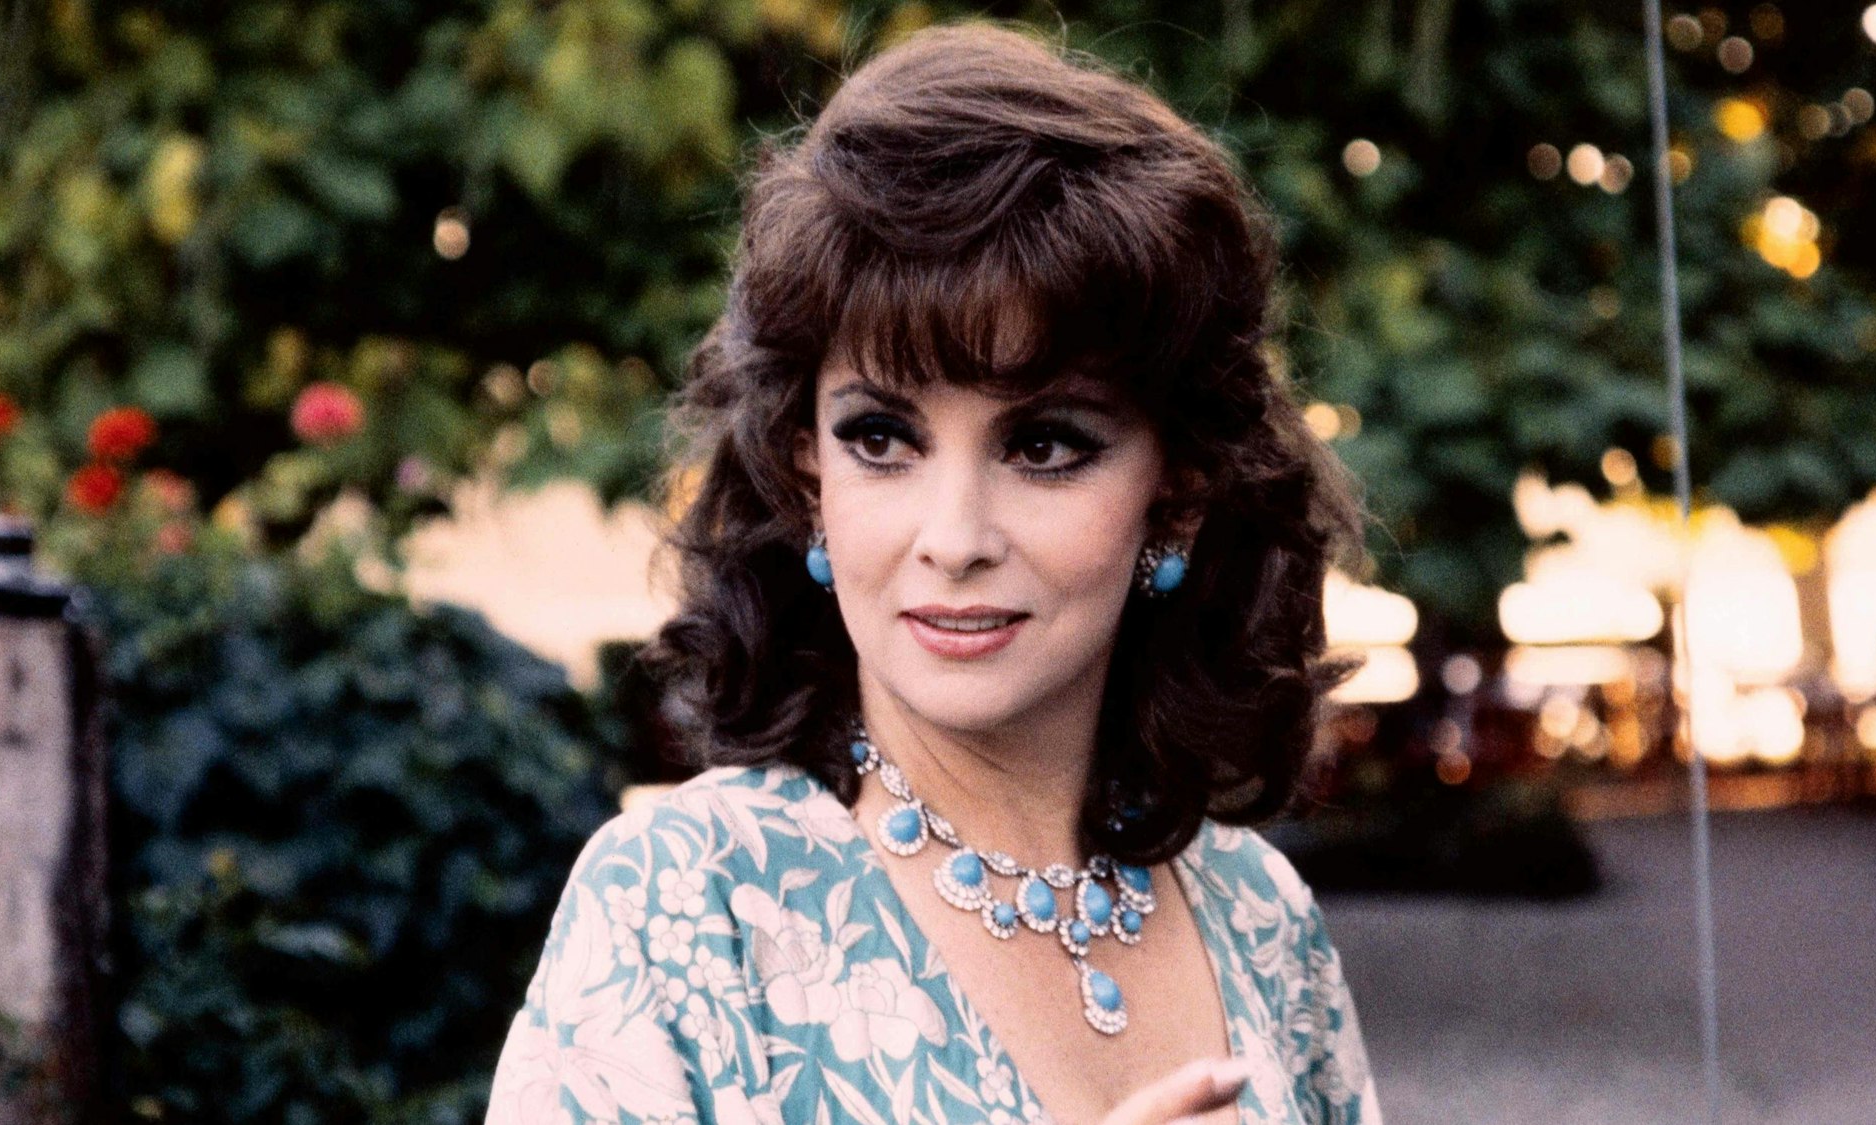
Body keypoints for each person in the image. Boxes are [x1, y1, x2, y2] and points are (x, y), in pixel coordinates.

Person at [485, 19, 1382, 1125]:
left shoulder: (1262, 919)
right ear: (807, 470)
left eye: (1043, 444)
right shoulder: (683, 903)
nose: (951, 536)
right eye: (881, 438)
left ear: (1179, 486)